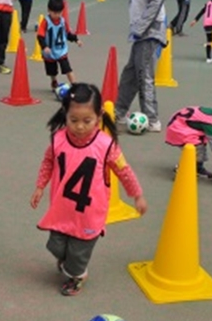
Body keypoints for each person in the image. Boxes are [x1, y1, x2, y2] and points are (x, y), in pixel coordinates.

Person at [30, 83, 147, 296]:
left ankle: (77, 276)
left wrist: (137, 194)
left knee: (78, 253)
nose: (80, 127)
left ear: (99, 117)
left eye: (87, 121)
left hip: (89, 212)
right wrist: (40, 186)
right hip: (62, 207)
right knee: (56, 245)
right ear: (65, 114)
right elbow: (48, 161)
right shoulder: (58, 139)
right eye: (73, 120)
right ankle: (69, 263)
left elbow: (124, 170)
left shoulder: (106, 145)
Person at [111, 0, 166, 133]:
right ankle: (119, 112)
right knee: (130, 73)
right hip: (142, 34)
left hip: (149, 32)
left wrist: (141, 27)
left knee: (144, 75)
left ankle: (152, 119)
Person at [165, 89, 212, 179]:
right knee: (197, 149)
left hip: (182, 125)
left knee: (201, 145)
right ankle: (181, 169)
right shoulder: (210, 124)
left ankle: (197, 167)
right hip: (178, 129)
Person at [37, 0, 83, 91]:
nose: (57, 15)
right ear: (49, 10)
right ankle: (54, 81)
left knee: (67, 69)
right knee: (52, 70)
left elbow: (68, 33)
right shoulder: (46, 22)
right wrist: (44, 47)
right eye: (54, 13)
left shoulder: (62, 21)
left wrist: (76, 39)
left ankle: (74, 86)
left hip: (61, 51)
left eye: (59, 13)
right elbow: (40, 36)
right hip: (50, 52)